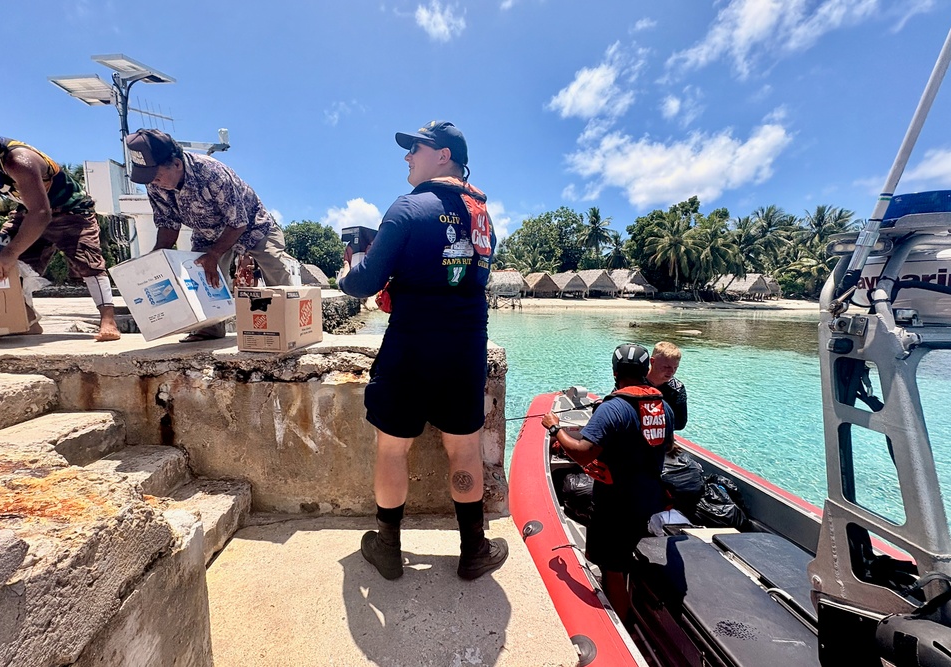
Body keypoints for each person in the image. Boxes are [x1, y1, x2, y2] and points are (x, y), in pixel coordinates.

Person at [338, 120, 505, 581]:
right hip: (464, 346)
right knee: (464, 449)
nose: (408, 156)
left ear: (444, 155)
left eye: (416, 148)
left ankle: (388, 549)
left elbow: (365, 282)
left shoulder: (408, 209)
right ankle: (473, 549)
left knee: (393, 449)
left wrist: (346, 270)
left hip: (410, 345)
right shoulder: (482, 214)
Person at [0, 105, 121, 341]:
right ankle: (25, 319)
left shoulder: (18, 159)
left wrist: (9, 253)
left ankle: (108, 321)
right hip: (27, 208)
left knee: (88, 262)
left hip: (71, 209)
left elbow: (42, 213)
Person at [124, 128, 297, 342]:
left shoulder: (211, 172)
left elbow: (238, 222)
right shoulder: (155, 185)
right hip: (207, 232)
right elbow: (168, 224)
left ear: (176, 164)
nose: (153, 183)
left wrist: (214, 255)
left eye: (157, 176)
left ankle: (291, 321)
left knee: (274, 265)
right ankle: (210, 329)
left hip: (252, 226)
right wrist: (156, 259)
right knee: (200, 274)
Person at [542, 343, 674, 619]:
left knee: (612, 567)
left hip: (617, 504)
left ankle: (620, 624)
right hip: (649, 497)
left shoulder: (613, 409)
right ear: (645, 370)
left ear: (615, 372)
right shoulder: (663, 406)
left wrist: (555, 429)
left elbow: (582, 454)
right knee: (621, 556)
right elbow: (665, 445)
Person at [647, 341, 688, 431]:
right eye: (666, 367)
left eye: (675, 368)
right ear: (652, 361)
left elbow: (680, 423)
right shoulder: (635, 380)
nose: (671, 372)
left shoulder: (677, 389)